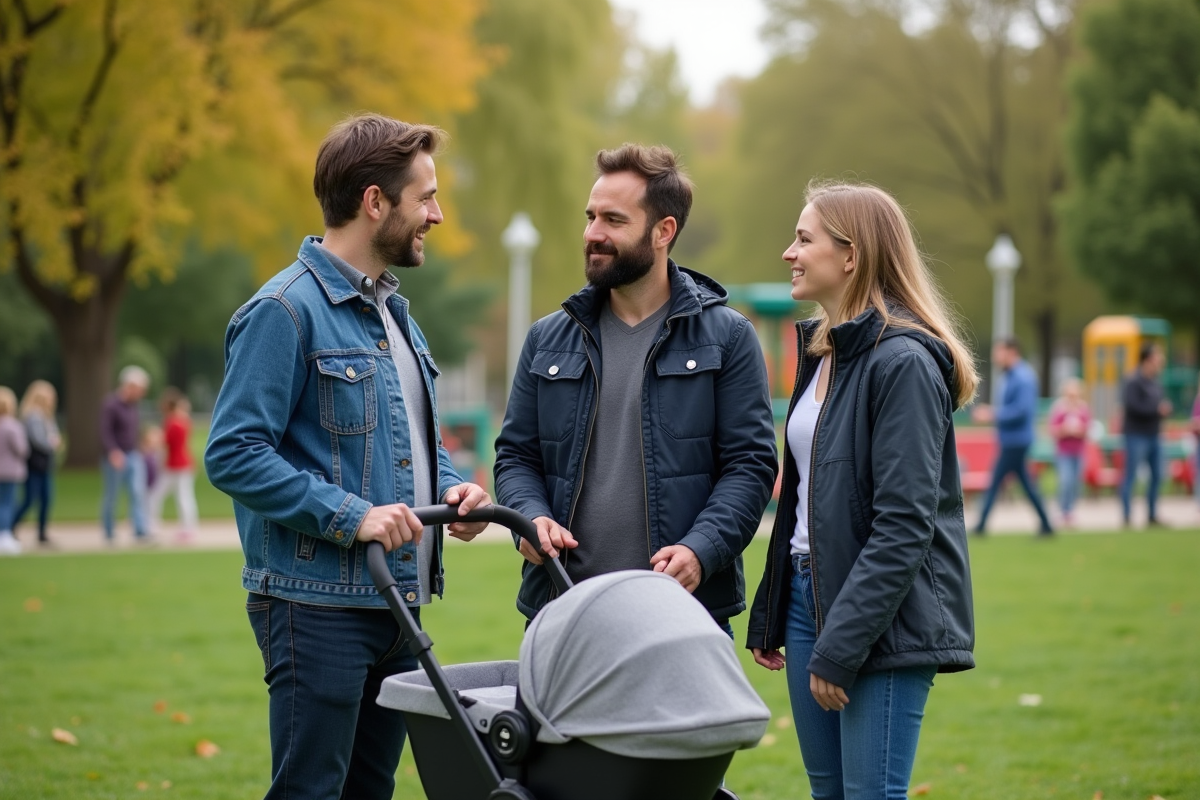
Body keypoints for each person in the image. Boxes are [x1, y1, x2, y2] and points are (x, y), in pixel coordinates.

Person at [204, 113, 490, 800]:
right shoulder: (284, 311)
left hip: (397, 605)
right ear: (374, 202)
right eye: (425, 197)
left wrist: (454, 491)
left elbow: (409, 443)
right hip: (316, 608)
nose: (438, 214)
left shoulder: (395, 314)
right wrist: (351, 515)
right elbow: (234, 453)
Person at [746, 181, 978, 800]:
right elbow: (803, 500)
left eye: (803, 239)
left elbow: (904, 524)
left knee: (870, 794)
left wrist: (841, 643)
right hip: (805, 597)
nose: (789, 253)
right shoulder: (825, 353)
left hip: (881, 616)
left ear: (851, 255)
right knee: (831, 794)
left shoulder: (901, 362)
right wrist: (776, 609)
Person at [493, 144, 777, 634]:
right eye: (590, 217)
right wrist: (529, 518)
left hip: (682, 613)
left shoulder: (729, 337)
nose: (593, 234)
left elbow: (750, 466)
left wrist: (700, 550)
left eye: (613, 220)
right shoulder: (546, 338)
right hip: (563, 609)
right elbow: (516, 456)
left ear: (664, 231)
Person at [971, 338, 1055, 535]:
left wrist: (992, 414)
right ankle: (1046, 524)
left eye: (999, 352)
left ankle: (981, 525)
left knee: (995, 482)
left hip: (1016, 440)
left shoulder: (1022, 377)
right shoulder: (1010, 376)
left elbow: (1021, 411)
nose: (995, 357)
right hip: (1011, 440)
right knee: (1026, 484)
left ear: (1011, 352)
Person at [1120, 343, 1171, 528]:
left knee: (1157, 475)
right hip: (1136, 435)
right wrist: (1157, 410)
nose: (1160, 361)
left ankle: (1152, 514)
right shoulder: (1133, 380)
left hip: (1154, 434)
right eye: (1157, 357)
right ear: (1147, 359)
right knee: (1131, 475)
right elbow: (1133, 407)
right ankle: (1126, 515)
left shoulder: (1155, 382)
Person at [100, 365, 152, 544]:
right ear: (129, 386)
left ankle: (140, 530)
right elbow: (105, 431)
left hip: (133, 454)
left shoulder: (134, 406)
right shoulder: (111, 404)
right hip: (115, 456)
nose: (141, 393)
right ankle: (108, 532)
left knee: (138, 492)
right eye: (140, 389)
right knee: (111, 495)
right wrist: (113, 451)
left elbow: (134, 430)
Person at [12, 380, 62, 548]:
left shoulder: (46, 416)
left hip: (44, 464)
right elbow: (39, 440)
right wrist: (52, 443)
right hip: (35, 464)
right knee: (30, 498)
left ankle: (41, 532)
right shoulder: (34, 416)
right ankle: (10, 526)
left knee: (46, 498)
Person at [148, 389, 199, 543]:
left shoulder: (172, 422)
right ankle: (188, 528)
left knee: (157, 496)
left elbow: (164, 444)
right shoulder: (183, 420)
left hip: (174, 465)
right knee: (184, 497)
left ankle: (153, 525)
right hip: (183, 464)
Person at [1047, 377, 1092, 528]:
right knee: (1065, 481)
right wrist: (1064, 429)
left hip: (1078, 451)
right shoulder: (1059, 408)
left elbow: (1088, 430)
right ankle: (1063, 510)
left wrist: (1080, 430)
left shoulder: (1083, 409)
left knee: (1075, 482)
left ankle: (1071, 511)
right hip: (1064, 451)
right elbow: (1052, 430)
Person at [0, 386, 30, 555]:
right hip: (10, 471)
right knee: (7, 504)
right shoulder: (11, 426)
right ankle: (5, 535)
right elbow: (22, 449)